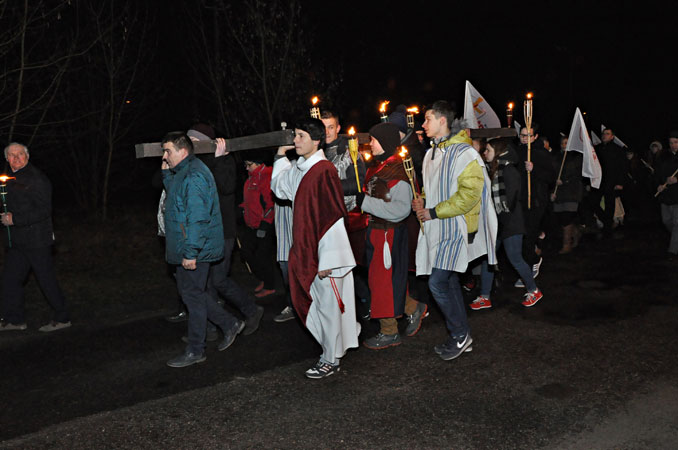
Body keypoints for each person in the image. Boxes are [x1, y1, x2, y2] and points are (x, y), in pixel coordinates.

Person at [271, 118, 360, 379]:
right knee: (321, 306)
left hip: (324, 254)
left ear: (316, 140)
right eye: (295, 135)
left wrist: (328, 259)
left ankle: (330, 359)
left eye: (301, 136)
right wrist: (280, 155)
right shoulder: (302, 167)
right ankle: (336, 345)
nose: (295, 140)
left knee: (329, 308)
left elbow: (332, 216)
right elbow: (280, 188)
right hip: (308, 250)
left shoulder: (324, 171)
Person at [412, 101, 497, 361]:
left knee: (437, 283)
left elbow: (469, 195)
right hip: (437, 228)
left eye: (427, 119)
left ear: (442, 121)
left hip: (456, 227)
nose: (423, 125)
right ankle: (462, 336)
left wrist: (434, 211)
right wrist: (422, 201)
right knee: (448, 281)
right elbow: (433, 188)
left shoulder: (465, 153)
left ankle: (459, 334)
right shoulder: (431, 153)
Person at [161, 132, 244, 368]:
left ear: (182, 151)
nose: (165, 156)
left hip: (196, 248)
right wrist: (166, 173)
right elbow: (176, 196)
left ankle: (196, 349)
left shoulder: (194, 175)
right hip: (189, 245)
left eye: (168, 151)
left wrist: (191, 252)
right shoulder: (183, 172)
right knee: (192, 293)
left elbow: (198, 218)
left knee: (194, 297)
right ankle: (229, 324)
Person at [357, 122, 426, 350]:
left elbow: (400, 209)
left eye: (374, 140)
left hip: (388, 234)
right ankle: (413, 308)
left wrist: (365, 203)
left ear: (385, 142)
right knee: (382, 281)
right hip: (378, 232)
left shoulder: (397, 171)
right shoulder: (381, 167)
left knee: (383, 282)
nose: (370, 144)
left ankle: (389, 331)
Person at [189, 125, 264, 336]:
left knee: (218, 280)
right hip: (204, 231)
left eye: (195, 141)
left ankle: (252, 310)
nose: (191, 145)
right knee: (206, 282)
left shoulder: (224, 160)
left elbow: (226, 187)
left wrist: (219, 159)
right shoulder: (195, 162)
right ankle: (212, 327)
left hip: (223, 231)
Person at [0, 143, 71, 332]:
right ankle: (15, 320)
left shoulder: (37, 178)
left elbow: (44, 210)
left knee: (45, 279)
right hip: (18, 242)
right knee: (10, 279)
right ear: (7, 158)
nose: (16, 158)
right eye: (12, 155)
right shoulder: (10, 178)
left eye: (20, 154)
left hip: (37, 240)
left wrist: (15, 219)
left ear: (27, 156)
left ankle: (62, 317)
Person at [470, 138, 543, 310]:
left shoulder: (509, 170)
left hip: (510, 224)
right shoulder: (494, 170)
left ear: (498, 152)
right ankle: (485, 296)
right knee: (489, 259)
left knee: (515, 258)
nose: (485, 153)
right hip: (498, 224)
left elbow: (509, 202)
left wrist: (498, 222)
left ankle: (534, 290)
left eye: (488, 150)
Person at [515, 123, 556, 287]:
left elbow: (551, 177)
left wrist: (535, 169)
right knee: (520, 236)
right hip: (520, 200)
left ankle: (529, 267)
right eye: (522, 135)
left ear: (535, 136)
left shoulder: (541, 153)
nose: (525, 139)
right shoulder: (518, 151)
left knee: (529, 236)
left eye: (529, 135)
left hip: (536, 201)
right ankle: (530, 261)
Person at [239, 151, 276, 298]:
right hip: (251, 224)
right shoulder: (250, 179)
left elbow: (270, 204)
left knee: (262, 256)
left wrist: (265, 225)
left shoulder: (265, 176)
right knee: (246, 252)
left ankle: (270, 286)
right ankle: (264, 278)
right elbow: (250, 201)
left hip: (263, 225)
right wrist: (240, 209)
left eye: (249, 165)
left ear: (259, 163)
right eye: (245, 165)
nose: (247, 168)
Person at [590, 127, 627, 237]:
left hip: (612, 182)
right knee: (593, 202)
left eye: (607, 133)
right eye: (603, 133)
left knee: (609, 206)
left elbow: (622, 167)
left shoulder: (618, 150)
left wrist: (620, 183)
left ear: (612, 136)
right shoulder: (597, 149)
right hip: (599, 182)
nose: (604, 135)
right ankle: (607, 222)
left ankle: (607, 230)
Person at [550, 136, 584, 254]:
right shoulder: (556, 157)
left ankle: (566, 244)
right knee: (560, 218)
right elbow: (552, 173)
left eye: (567, 143)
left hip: (571, 192)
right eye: (563, 143)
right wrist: (552, 187)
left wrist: (564, 181)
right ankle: (576, 232)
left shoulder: (576, 157)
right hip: (559, 193)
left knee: (567, 218)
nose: (564, 145)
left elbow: (577, 175)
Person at [655, 131, 678, 257]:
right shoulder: (663, 157)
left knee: (677, 223)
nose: (673, 145)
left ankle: (673, 250)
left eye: (676, 142)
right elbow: (657, 174)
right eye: (671, 143)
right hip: (666, 195)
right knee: (666, 221)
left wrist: (677, 179)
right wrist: (659, 184)